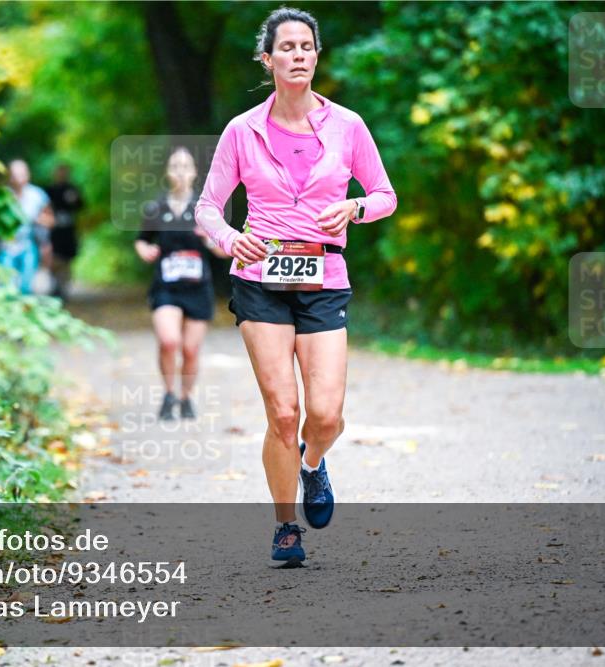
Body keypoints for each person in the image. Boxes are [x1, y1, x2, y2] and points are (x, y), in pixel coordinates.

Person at [194, 8, 397, 567]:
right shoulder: (243, 130)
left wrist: (354, 207)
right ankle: (286, 527)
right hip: (260, 279)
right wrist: (231, 238)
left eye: (306, 46)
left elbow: (384, 194)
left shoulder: (347, 126)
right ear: (268, 59)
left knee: (325, 415)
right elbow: (208, 207)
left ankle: (312, 464)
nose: (298, 55)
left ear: (316, 55)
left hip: (324, 277)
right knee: (283, 413)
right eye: (286, 47)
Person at [135, 147, 227, 421]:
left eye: (186, 166)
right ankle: (168, 393)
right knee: (169, 340)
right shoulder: (156, 208)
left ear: (195, 173)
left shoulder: (205, 209)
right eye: (175, 166)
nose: (180, 171)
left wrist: (208, 240)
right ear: (168, 172)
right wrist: (144, 250)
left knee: (190, 349)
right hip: (166, 287)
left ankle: (186, 397)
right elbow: (142, 239)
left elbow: (225, 248)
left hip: (198, 289)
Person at [0, 159, 54, 295]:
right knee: (6, 285)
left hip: (29, 243)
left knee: (26, 285)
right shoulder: (2, 194)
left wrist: (38, 220)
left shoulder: (37, 195)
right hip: (5, 245)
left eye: (21, 174)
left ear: (28, 175)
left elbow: (51, 220)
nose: (18, 178)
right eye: (14, 174)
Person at [45, 163, 84, 300]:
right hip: (54, 230)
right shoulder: (49, 190)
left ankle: (63, 287)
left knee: (66, 259)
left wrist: (74, 200)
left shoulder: (72, 189)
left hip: (68, 231)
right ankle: (55, 285)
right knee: (54, 257)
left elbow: (81, 205)